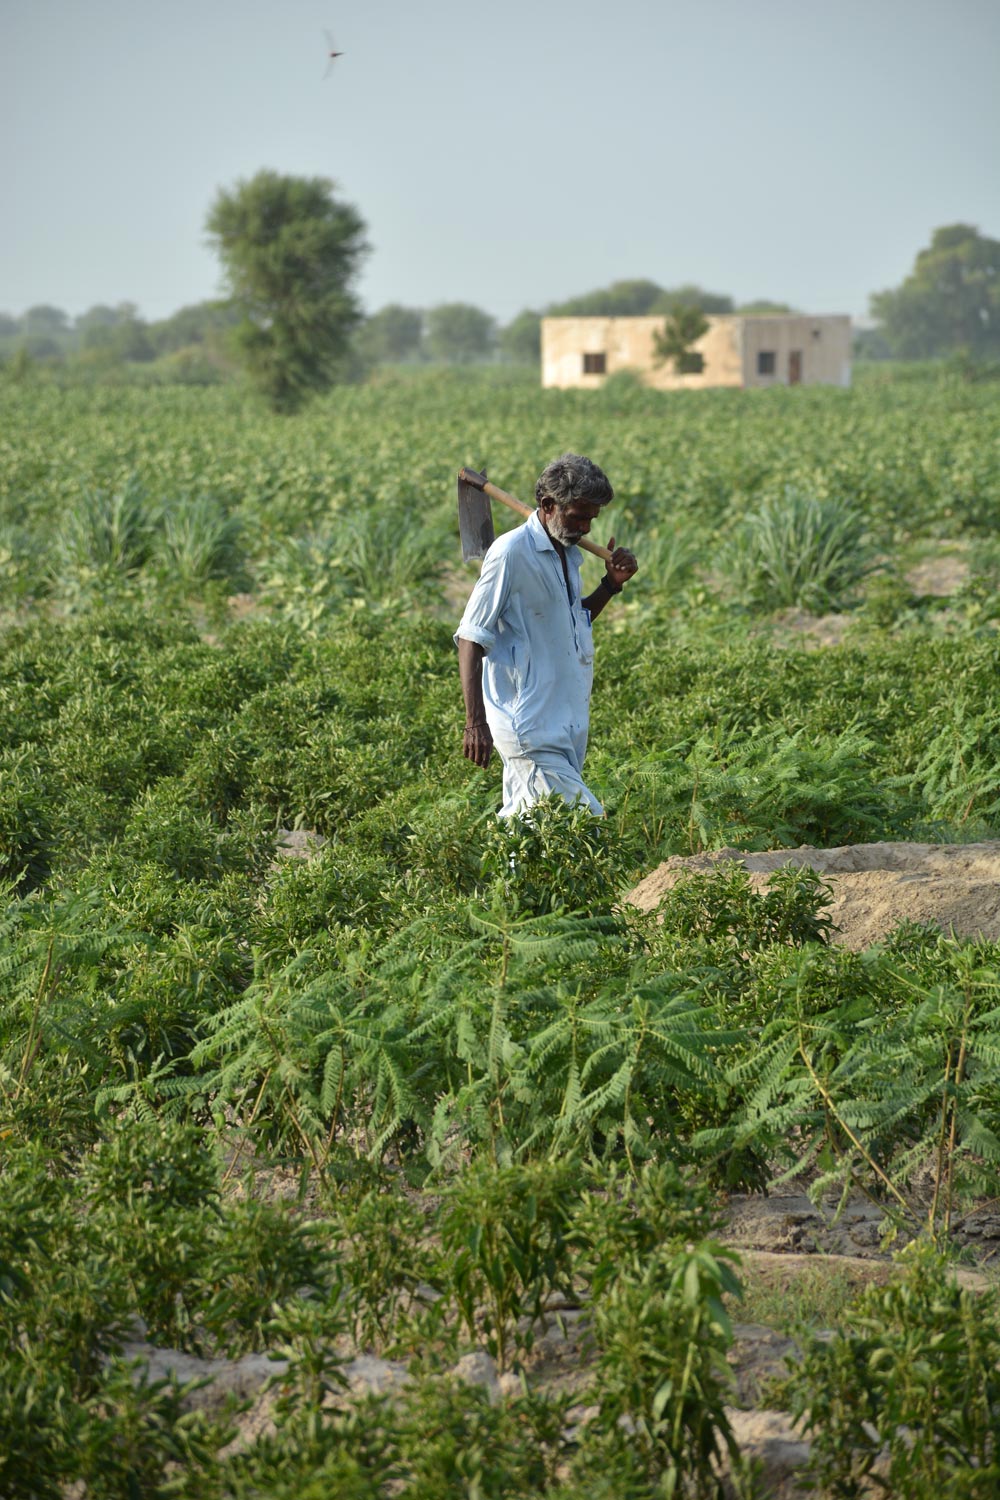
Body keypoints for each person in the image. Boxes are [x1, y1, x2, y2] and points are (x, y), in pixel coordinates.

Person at [455, 452, 638, 818]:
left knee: (533, 836)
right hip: (530, 728)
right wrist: (475, 722)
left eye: (591, 519)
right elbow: (470, 638)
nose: (586, 529)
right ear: (548, 505)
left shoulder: (568, 554)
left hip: (563, 727)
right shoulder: (510, 554)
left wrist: (611, 585)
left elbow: (572, 622)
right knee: (583, 824)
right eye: (578, 517)